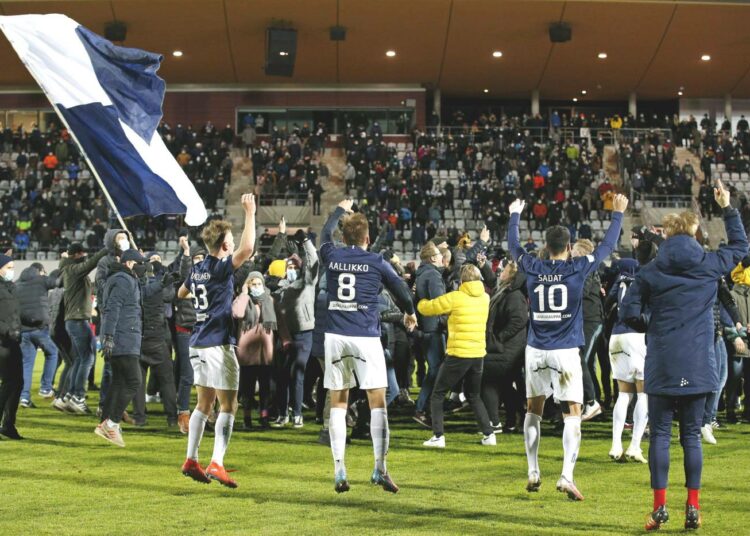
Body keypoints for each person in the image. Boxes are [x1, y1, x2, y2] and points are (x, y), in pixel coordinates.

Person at [621, 180, 747, 531]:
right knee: (690, 436)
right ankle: (692, 506)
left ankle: (659, 508)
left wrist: (650, 322)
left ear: (666, 234)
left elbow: (629, 313)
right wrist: (727, 207)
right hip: (697, 363)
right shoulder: (709, 264)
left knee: (660, 435)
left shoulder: (650, 271)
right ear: (694, 234)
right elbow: (740, 245)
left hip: (662, 363)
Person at [507, 192, 628, 502]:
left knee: (533, 410)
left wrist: (514, 215)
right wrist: (617, 214)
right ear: (569, 245)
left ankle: (533, 470)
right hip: (565, 351)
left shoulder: (532, 265)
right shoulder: (577, 268)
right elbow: (606, 247)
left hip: (535, 350)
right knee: (572, 414)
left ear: (547, 246)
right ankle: (566, 476)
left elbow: (514, 247)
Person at [320, 199, 417, 494]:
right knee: (378, 402)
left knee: (338, 401)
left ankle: (339, 470)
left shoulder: (332, 254)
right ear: (367, 238)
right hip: (365, 336)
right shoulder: (376, 261)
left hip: (335, 337)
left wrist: (338, 209)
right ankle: (379, 468)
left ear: (344, 236)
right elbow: (400, 289)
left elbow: (323, 234)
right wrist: (410, 312)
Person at [177, 193, 256, 488]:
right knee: (228, 405)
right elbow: (248, 247)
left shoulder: (196, 270)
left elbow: (181, 294)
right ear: (224, 245)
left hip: (196, 342)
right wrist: (250, 212)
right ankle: (217, 463)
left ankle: (191, 459)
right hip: (217, 343)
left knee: (203, 403)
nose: (234, 242)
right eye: (231, 239)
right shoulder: (220, 268)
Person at [418, 264, 493, 447]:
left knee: (437, 394)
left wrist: (419, 301)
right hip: (478, 354)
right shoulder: (485, 297)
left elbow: (429, 308)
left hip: (459, 353)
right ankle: (489, 434)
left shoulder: (456, 297)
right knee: (474, 395)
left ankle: (438, 436)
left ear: (462, 280)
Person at [96, 250, 148, 447]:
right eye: (140, 262)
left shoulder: (122, 279)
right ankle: (111, 423)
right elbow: (113, 307)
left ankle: (106, 421)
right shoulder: (123, 280)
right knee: (134, 381)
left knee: (118, 382)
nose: (143, 266)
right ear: (129, 263)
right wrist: (109, 336)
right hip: (123, 337)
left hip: (123, 336)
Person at [273, 231, 319, 428]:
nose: (291, 269)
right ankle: (283, 414)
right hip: (284, 336)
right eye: (288, 266)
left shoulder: (307, 283)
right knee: (282, 376)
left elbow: (313, 262)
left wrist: (306, 243)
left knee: (297, 374)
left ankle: (297, 413)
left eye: (294, 266)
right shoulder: (278, 290)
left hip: (304, 334)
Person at [606, 259, 648, 463]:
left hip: (616, 336)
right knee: (643, 394)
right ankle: (634, 446)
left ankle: (616, 445)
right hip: (637, 337)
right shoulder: (646, 277)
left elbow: (608, 304)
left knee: (623, 394)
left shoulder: (620, 280)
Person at [59, 242, 108, 414]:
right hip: (78, 320)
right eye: (82, 254)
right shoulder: (72, 269)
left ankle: (70, 395)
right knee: (87, 358)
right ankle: (78, 397)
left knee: (80, 359)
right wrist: (108, 247)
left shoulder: (70, 270)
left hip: (76, 319)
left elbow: (88, 288)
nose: (84, 256)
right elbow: (91, 263)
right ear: (77, 254)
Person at [481, 260, 528, 433]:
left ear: (511, 276)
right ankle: (512, 419)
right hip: (506, 348)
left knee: (485, 377)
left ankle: (496, 421)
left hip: (509, 350)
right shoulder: (505, 291)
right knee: (505, 385)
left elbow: (519, 320)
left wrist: (499, 338)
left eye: (504, 271)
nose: (501, 272)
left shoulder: (514, 295)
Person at [232, 271, 276, 429]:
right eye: (253, 284)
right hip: (247, 352)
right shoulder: (243, 299)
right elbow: (237, 313)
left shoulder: (269, 300)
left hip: (265, 351)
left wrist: (285, 340)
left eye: (259, 284)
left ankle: (264, 417)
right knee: (247, 389)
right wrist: (244, 294)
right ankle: (247, 418)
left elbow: (280, 322)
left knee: (266, 388)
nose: (257, 287)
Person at [15, 263, 60, 407]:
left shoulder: (17, 285)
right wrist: (63, 264)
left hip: (23, 330)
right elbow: (56, 281)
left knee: (26, 364)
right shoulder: (40, 280)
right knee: (53, 352)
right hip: (39, 327)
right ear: (40, 271)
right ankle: (46, 388)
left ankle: (24, 397)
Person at [413, 242, 446, 427]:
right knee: (435, 371)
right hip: (433, 329)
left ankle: (424, 408)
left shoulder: (421, 274)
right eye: (439, 255)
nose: (442, 257)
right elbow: (440, 303)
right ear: (433, 258)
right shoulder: (433, 275)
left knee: (434, 370)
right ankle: (422, 408)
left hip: (425, 328)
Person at [0, 254, 23, 439]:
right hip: (3, 342)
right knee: (8, 383)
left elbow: (15, 314)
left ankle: (9, 425)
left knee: (17, 383)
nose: (11, 270)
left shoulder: (12, 288)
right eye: (8, 267)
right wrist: (6, 331)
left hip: (14, 341)